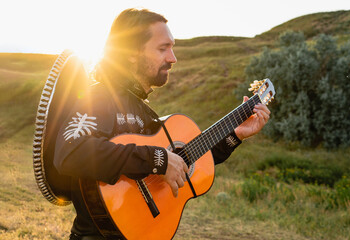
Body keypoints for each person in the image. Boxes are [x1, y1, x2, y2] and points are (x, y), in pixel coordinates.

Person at [53, 8, 270, 240]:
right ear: (131, 53)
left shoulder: (143, 112)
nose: (173, 58)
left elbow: (185, 159)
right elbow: (70, 153)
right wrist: (158, 160)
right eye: (163, 48)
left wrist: (234, 135)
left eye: (172, 48)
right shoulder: (99, 98)